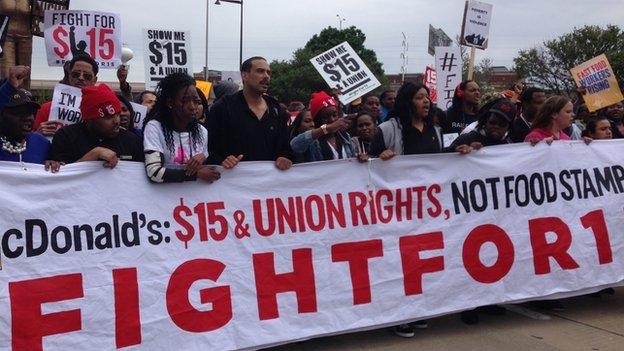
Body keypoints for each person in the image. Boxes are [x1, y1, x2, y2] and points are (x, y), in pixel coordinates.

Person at [207, 56, 292, 170]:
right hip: (234, 182)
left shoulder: (276, 109)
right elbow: (209, 148)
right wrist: (222, 160)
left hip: (270, 182)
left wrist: (285, 157)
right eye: (260, 71)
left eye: (268, 72)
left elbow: (286, 147)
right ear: (244, 75)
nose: (266, 76)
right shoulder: (223, 108)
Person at [143, 73, 220, 183]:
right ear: (170, 102)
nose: (193, 107)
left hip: (194, 199)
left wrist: (203, 158)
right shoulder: (155, 127)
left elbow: (207, 167)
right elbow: (154, 173)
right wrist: (196, 174)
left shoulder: (202, 131)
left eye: (196, 101)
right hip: (165, 198)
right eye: (185, 101)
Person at [50, 84, 144, 167]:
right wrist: (93, 155)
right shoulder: (66, 136)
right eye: (108, 117)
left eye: (117, 114)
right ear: (89, 119)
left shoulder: (131, 141)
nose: (117, 121)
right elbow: (61, 179)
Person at [370, 82, 442, 160]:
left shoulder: (436, 129)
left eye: (427, 97)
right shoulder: (386, 130)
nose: (426, 101)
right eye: (419, 98)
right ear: (407, 102)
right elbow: (371, 159)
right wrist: (381, 156)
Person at [33, 54, 99, 137]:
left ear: (94, 80)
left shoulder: (100, 112)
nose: (81, 78)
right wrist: (37, 134)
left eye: (87, 76)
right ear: (69, 75)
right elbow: (30, 143)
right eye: (76, 74)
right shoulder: (46, 109)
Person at [0, 88, 57, 170]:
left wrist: (54, 165)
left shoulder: (42, 143)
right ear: (3, 116)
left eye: (31, 112)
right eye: (20, 112)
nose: (29, 118)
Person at [289, 91, 354, 163]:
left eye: (334, 115)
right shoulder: (312, 141)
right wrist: (327, 129)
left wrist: (360, 159)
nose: (332, 120)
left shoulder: (344, 136)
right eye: (325, 117)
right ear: (317, 119)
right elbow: (295, 145)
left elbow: (352, 160)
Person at [449, 98, 516, 154]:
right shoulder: (466, 139)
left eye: (502, 124)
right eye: (492, 122)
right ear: (485, 121)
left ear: (508, 128)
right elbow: (444, 156)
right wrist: (458, 150)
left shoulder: (510, 147)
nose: (496, 126)